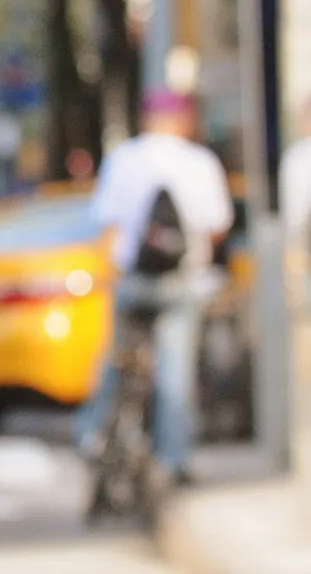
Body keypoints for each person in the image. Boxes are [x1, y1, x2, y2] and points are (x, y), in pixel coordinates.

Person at [74, 89, 235, 483]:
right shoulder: (199, 163)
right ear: (183, 121)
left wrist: (109, 274)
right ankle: (173, 460)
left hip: (131, 280)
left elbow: (107, 227)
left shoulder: (125, 158)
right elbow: (217, 226)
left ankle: (92, 434)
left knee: (114, 362)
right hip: (180, 283)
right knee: (174, 373)